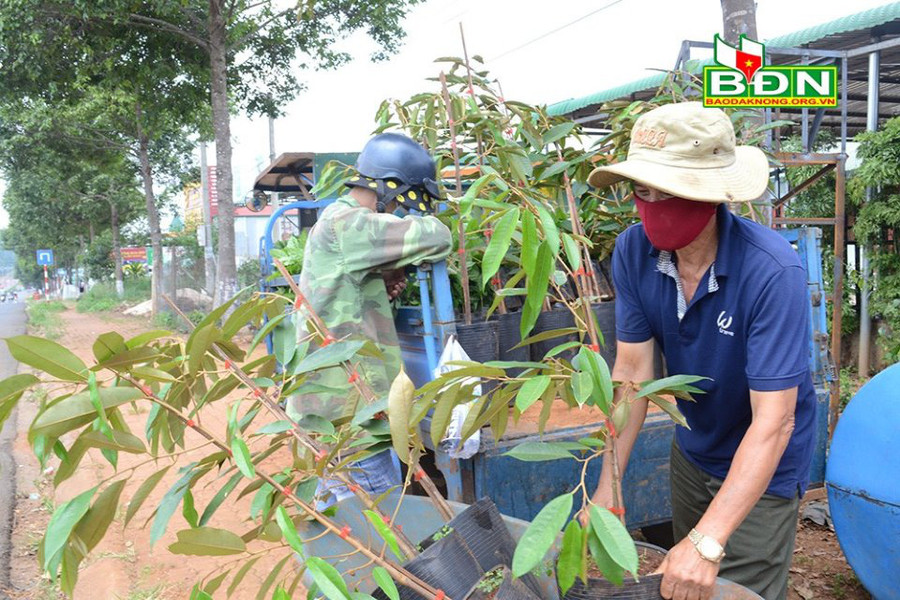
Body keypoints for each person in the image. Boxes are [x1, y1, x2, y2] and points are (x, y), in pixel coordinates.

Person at [584, 102, 816, 600]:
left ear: (711, 194)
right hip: (693, 448)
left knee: (734, 585)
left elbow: (775, 421)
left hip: (763, 459)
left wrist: (708, 541)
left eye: (668, 192)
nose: (651, 205)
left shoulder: (771, 272)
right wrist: (608, 488)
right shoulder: (633, 252)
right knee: (682, 582)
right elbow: (632, 374)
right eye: (641, 191)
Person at [288, 132, 453, 507]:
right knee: (378, 527)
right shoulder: (351, 224)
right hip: (351, 415)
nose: (399, 212)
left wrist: (382, 279)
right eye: (402, 203)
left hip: (328, 412)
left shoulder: (336, 222)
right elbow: (438, 236)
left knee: (336, 524)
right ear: (391, 188)